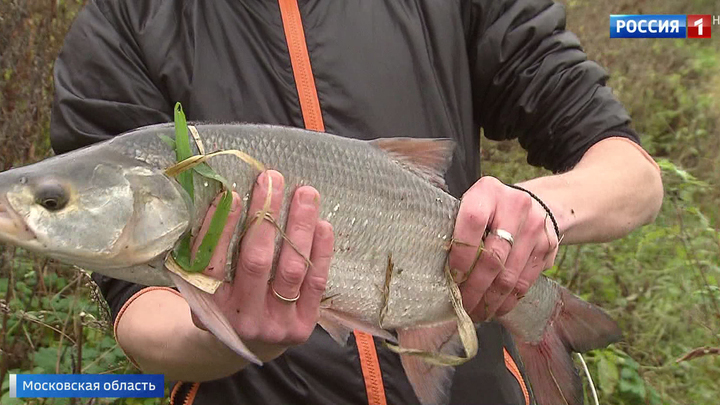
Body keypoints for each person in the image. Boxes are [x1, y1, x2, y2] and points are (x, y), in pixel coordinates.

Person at [49, 0, 663, 404]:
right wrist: (227, 338)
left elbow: (632, 175)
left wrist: (541, 211)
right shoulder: (122, 26)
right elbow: (138, 313)